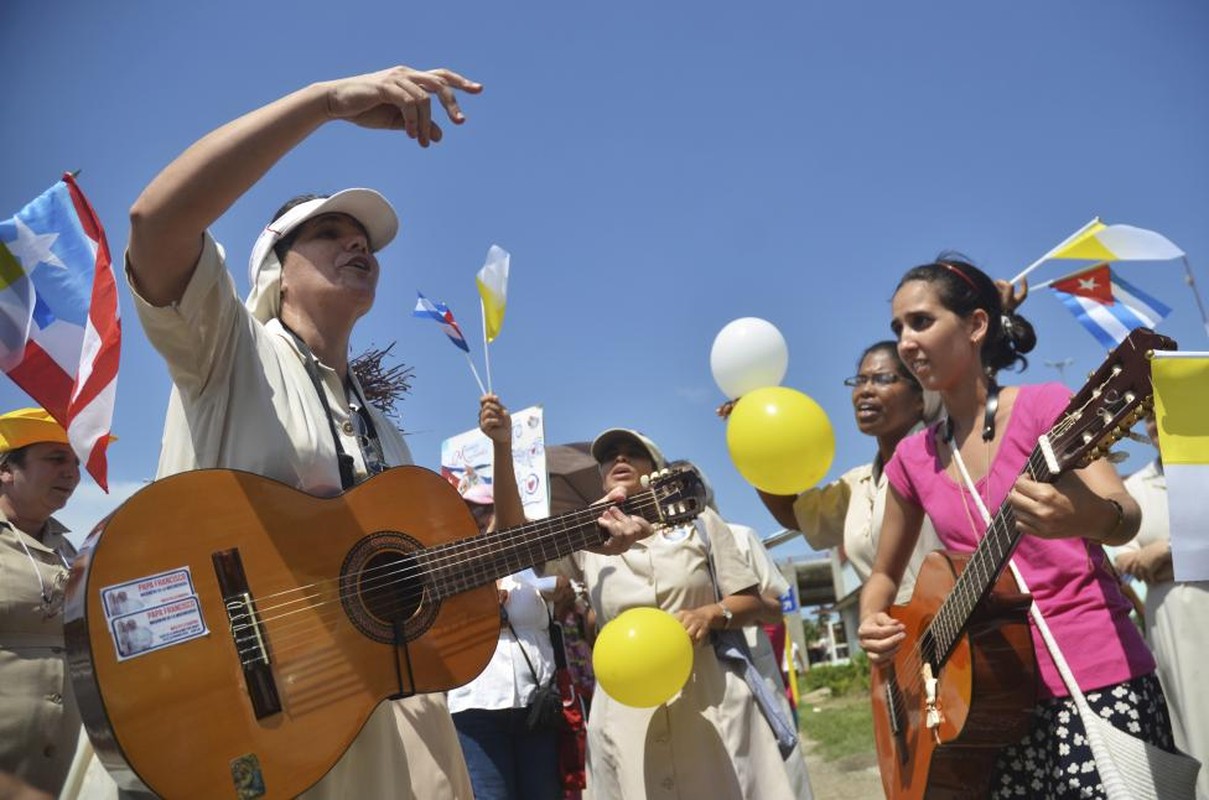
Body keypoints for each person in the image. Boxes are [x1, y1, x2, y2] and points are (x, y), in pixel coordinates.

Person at [106, 66, 651, 800]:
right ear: (275, 271)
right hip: (233, 722)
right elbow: (155, 222)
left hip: (363, 726)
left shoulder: (388, 441)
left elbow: (446, 583)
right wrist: (324, 103)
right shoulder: (228, 350)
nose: (359, 246)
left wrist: (574, 534)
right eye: (328, 233)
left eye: (366, 240)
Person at [858, 257, 1176, 797]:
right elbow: (883, 576)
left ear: (977, 325)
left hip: (1096, 675)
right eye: (898, 329)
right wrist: (871, 618)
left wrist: (1085, 518)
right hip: (986, 703)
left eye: (921, 322)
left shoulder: (1044, 407)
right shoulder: (912, 458)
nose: (906, 342)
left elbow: (1125, 515)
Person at [550, 428, 798, 799]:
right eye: (609, 455)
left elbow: (750, 603)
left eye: (632, 452)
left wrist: (709, 614)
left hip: (708, 697)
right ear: (600, 474)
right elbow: (524, 551)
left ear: (655, 467)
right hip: (625, 709)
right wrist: (503, 447)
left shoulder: (700, 522)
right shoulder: (585, 536)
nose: (620, 459)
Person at [722, 341, 943, 604]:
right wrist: (754, 432)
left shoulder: (947, 457)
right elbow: (794, 515)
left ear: (921, 398)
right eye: (860, 380)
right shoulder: (857, 486)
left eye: (882, 379)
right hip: (902, 641)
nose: (865, 391)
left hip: (970, 630)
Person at [445, 396, 571, 800]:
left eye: (486, 509)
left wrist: (503, 445)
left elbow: (510, 533)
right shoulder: (446, 564)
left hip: (538, 706)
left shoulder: (525, 556)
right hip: (476, 708)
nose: (479, 518)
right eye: (469, 510)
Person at [666, 459, 815, 800]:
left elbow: (778, 606)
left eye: (685, 486)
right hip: (701, 685)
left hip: (753, 669)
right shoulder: (658, 554)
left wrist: (735, 609)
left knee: (777, 776)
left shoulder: (741, 536)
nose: (675, 495)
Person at [1115, 412, 1209, 800]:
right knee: (1189, 723)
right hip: (1168, 619)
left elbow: (1151, 556)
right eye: (1151, 419)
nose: (1158, 426)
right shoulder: (1134, 486)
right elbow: (1125, 559)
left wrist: (1167, 551)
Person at [0, 409, 85, 797]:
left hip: (63, 775)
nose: (72, 473)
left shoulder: (72, 551)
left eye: (76, 462)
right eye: (56, 459)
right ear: (6, 470)